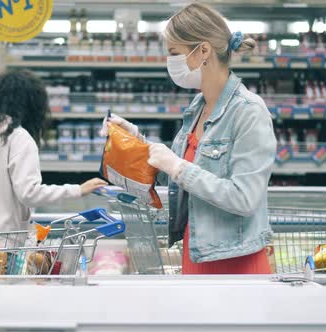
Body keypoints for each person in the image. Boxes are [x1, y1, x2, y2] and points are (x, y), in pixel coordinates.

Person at [104, 3, 277, 274]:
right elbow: (172, 174)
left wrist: (178, 167)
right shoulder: (197, 107)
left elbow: (245, 198)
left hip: (235, 265)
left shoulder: (249, 111)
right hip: (196, 256)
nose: (170, 61)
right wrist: (133, 139)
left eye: (174, 53)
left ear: (204, 51)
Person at [0, 70, 106, 274]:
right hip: (1, 241)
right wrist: (78, 190)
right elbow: (29, 193)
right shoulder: (19, 138)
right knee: (2, 300)